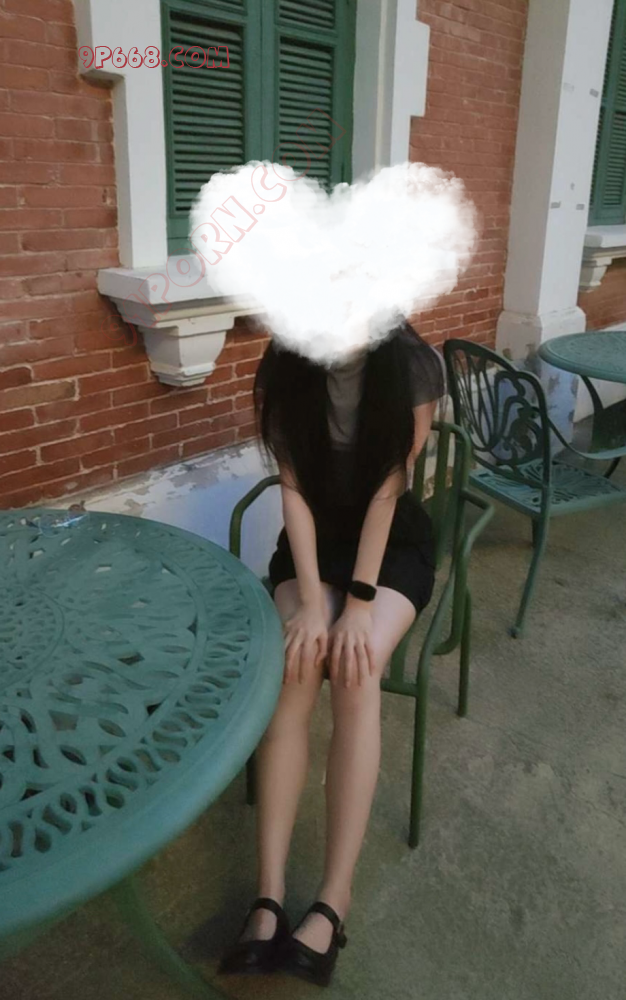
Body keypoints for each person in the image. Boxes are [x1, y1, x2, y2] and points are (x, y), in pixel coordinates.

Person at [219, 318, 446, 987]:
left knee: (354, 666)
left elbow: (387, 489)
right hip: (311, 547)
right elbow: (292, 489)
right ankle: (267, 896)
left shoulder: (410, 364)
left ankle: (333, 899)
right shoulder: (286, 356)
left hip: (389, 547)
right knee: (295, 663)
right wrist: (314, 604)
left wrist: (360, 605)